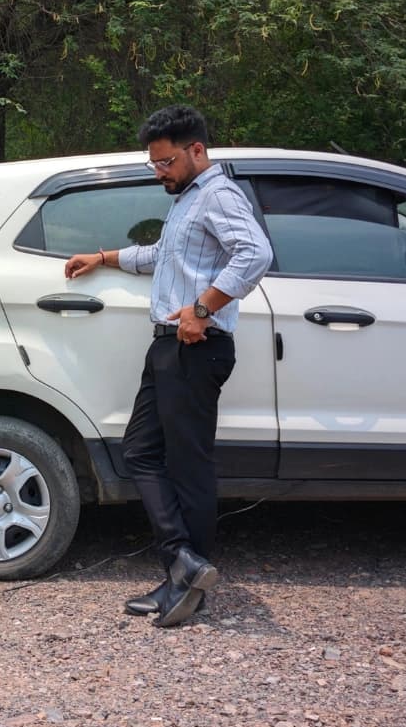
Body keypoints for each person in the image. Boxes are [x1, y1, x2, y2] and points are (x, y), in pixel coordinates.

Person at [64, 105, 272, 627]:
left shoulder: (219, 194)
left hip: (195, 347)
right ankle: (182, 563)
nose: (158, 171)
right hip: (169, 348)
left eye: (165, 162)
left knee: (188, 466)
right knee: (140, 451)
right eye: (154, 162)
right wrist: (104, 257)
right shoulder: (189, 198)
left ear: (196, 150)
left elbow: (255, 253)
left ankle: (187, 579)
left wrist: (203, 308)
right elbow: (163, 254)